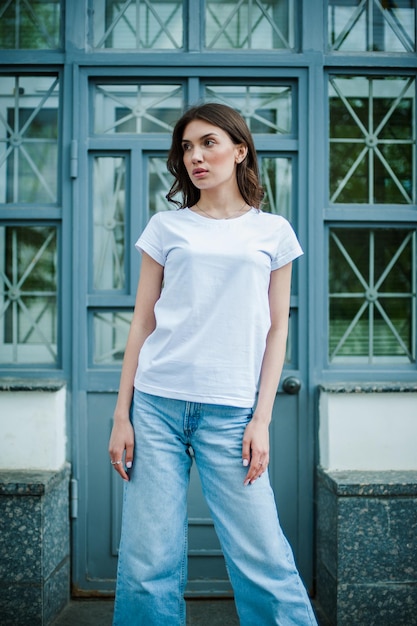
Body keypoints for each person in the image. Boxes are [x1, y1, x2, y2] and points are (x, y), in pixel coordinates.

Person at [109, 103, 317, 626]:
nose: (196, 157)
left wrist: (261, 418)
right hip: (155, 407)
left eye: (208, 143)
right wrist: (121, 415)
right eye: (186, 147)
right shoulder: (166, 227)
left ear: (240, 149)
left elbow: (277, 330)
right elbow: (141, 323)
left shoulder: (274, 232)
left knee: (263, 557)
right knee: (146, 562)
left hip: (232, 413)